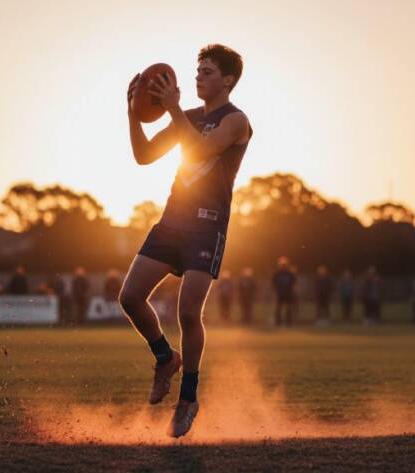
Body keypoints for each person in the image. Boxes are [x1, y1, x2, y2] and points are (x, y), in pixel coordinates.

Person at [118, 44, 251, 437]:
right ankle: (164, 357)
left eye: (207, 72)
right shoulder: (187, 116)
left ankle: (189, 397)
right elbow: (143, 156)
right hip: (172, 221)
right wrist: (132, 114)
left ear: (228, 80)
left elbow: (203, 148)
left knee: (189, 312)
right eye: (197, 71)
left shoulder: (236, 120)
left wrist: (173, 109)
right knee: (129, 297)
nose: (198, 77)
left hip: (207, 226)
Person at [272, 257, 297, 326]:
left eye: (284, 264)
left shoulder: (290, 273)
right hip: (280, 293)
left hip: (288, 293)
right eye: (282, 264)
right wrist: (276, 290)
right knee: (278, 308)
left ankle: (288, 322)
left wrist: (291, 289)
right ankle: (278, 322)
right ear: (279, 264)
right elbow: (273, 282)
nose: (283, 265)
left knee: (288, 308)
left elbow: (294, 282)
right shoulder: (277, 273)